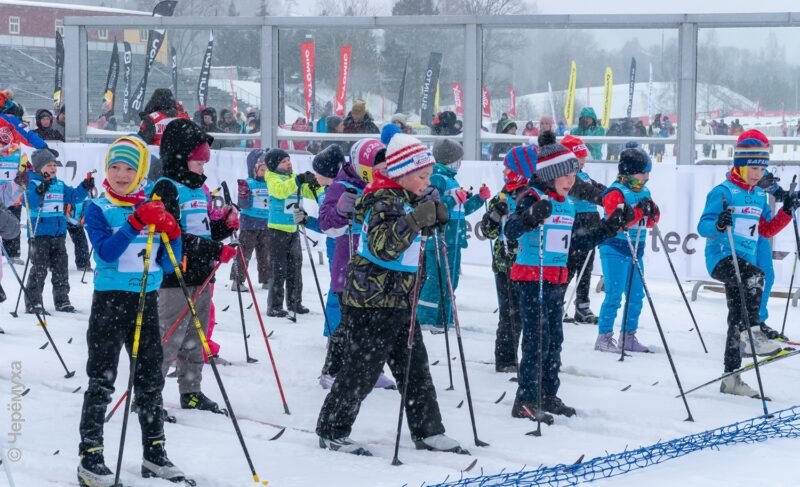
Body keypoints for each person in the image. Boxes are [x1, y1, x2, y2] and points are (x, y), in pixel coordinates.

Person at [315, 133, 466, 457]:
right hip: (372, 301)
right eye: (422, 176)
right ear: (400, 174)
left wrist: (431, 217)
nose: (426, 181)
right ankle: (332, 430)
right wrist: (415, 220)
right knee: (361, 369)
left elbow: (413, 239)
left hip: (400, 299)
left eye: (428, 176)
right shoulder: (382, 199)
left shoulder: (408, 198)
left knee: (415, 368)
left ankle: (428, 430)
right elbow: (383, 247)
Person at [77, 135, 189, 486]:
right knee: (102, 379)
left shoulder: (151, 204)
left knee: (150, 380)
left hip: (145, 299)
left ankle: (154, 453)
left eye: (128, 168)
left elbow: (168, 264)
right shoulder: (97, 207)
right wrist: (135, 222)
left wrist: (172, 232)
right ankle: (90, 457)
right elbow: (107, 252)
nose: (121, 175)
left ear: (140, 171)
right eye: (114, 167)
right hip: (110, 302)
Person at [504, 141, 632, 422]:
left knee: (554, 339)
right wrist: (529, 217)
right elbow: (510, 230)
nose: (571, 182)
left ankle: (548, 393)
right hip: (531, 277)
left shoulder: (568, 206)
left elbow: (576, 244)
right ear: (549, 174)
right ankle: (525, 398)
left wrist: (609, 228)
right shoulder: (532, 196)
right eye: (565, 176)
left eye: (574, 176)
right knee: (537, 339)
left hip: (555, 279)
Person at [697, 130, 798, 398]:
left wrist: (788, 210)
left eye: (761, 168)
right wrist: (719, 224)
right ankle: (752, 334)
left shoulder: (759, 197)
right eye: (753, 167)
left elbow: (766, 230)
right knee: (756, 276)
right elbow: (703, 226)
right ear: (740, 165)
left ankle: (732, 379)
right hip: (721, 258)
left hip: (744, 262)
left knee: (735, 319)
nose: (757, 174)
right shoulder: (723, 192)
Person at [149, 119, 238, 415]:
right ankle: (148, 396)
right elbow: (171, 234)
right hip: (175, 276)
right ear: (180, 156)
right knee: (168, 339)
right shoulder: (166, 187)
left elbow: (201, 232)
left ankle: (192, 391)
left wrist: (222, 227)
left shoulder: (198, 189)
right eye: (198, 162)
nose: (202, 169)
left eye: (204, 163)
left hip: (201, 275)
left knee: (194, 338)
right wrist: (214, 249)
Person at [417, 139, 490, 331]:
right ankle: (425, 318)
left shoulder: (452, 179)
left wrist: (479, 199)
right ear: (449, 159)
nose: (461, 163)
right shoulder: (438, 178)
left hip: (453, 240)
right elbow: (433, 208)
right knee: (438, 279)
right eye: (459, 159)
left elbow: (460, 210)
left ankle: (445, 318)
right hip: (440, 238)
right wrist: (452, 198)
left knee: (451, 281)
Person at [595, 142, 658, 353]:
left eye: (647, 174)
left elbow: (649, 223)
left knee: (636, 295)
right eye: (642, 174)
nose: (646, 178)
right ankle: (604, 337)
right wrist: (640, 212)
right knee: (614, 294)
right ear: (628, 173)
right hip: (614, 247)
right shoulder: (615, 192)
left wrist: (652, 213)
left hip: (636, 249)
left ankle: (628, 336)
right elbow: (619, 222)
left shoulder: (644, 191)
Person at [479, 145, 534, 373]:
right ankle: (506, 360)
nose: (504, 172)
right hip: (504, 265)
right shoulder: (502, 196)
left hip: (527, 263)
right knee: (510, 315)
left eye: (508, 168)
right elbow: (488, 231)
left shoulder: (532, 196)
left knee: (528, 314)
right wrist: (494, 214)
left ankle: (531, 359)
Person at [24, 148, 92, 314]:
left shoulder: (59, 184)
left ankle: (62, 300)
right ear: (39, 167)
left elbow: (74, 197)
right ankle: (33, 302)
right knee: (39, 268)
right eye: (49, 165)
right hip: (39, 234)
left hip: (58, 234)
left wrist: (84, 186)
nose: (53, 168)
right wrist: (40, 190)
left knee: (61, 268)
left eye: (55, 164)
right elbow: (30, 202)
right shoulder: (32, 183)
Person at [263, 148, 319, 317]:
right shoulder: (272, 178)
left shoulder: (292, 179)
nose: (288, 163)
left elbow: (308, 192)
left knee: (295, 267)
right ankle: (275, 305)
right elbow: (280, 191)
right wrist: (298, 180)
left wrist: (315, 184)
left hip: (293, 229)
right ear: (275, 165)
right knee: (278, 269)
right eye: (284, 161)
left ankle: (295, 302)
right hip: (277, 230)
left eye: (288, 160)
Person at [560, 134, 606, 324]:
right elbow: (587, 192)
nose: (584, 161)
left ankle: (582, 304)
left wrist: (614, 194)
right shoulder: (569, 178)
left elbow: (598, 187)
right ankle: (558, 302)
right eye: (581, 157)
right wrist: (607, 198)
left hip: (590, 223)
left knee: (586, 267)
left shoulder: (583, 174)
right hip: (576, 223)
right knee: (570, 265)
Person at [233, 149, 271, 291]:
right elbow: (243, 205)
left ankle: (266, 279)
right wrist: (244, 194)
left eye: (266, 169)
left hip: (266, 223)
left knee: (265, 252)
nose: (264, 172)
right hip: (250, 223)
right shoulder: (248, 182)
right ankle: (237, 280)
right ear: (254, 169)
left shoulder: (270, 183)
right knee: (244, 252)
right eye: (261, 169)